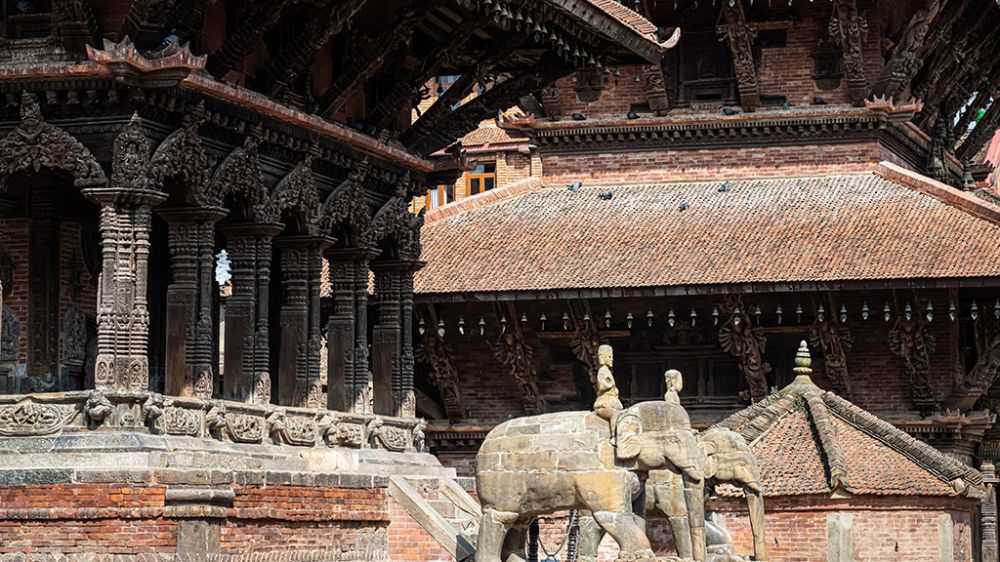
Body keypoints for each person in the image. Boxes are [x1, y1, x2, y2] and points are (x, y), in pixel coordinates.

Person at [593, 344, 622, 420]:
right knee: (614, 416)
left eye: (612, 357)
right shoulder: (602, 371)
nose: (611, 359)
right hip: (605, 400)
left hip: (612, 399)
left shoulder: (607, 371)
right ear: (602, 358)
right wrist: (610, 384)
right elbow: (602, 386)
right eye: (609, 357)